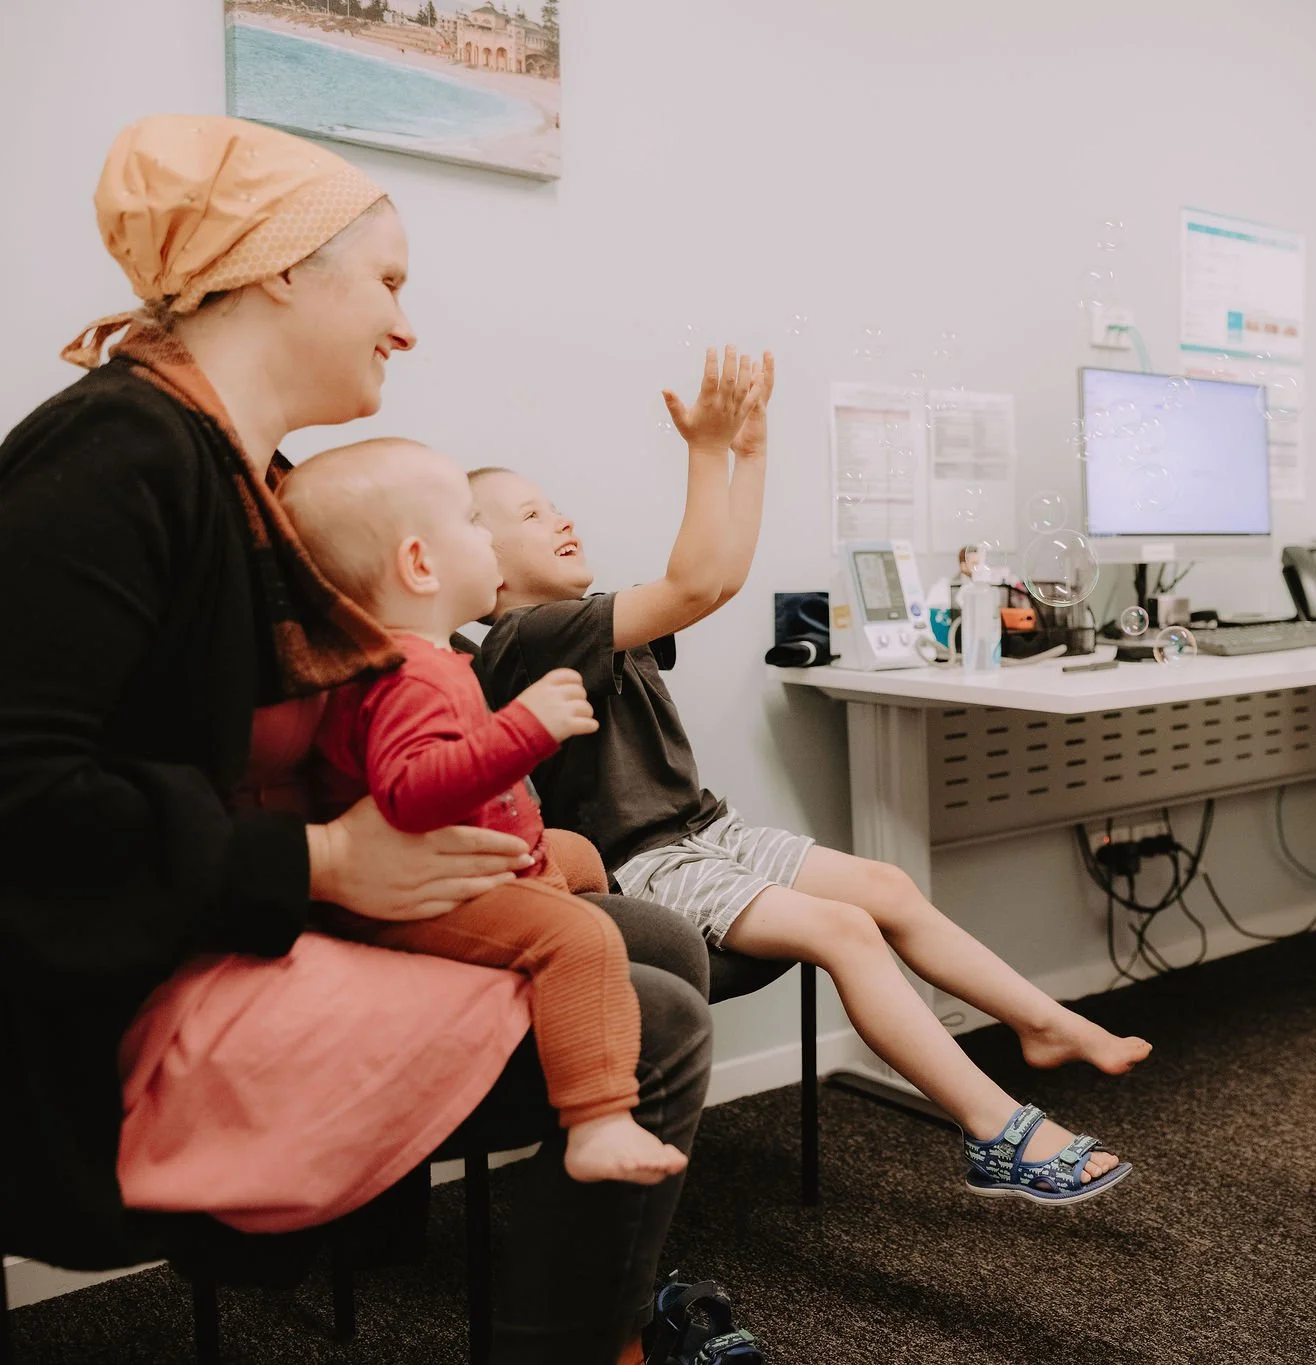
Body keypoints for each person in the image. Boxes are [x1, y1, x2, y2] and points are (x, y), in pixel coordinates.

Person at [0, 115, 714, 1365]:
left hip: (231, 902)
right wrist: (324, 865)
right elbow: (21, 790)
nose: (405, 322)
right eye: (387, 280)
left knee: (652, 938)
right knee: (653, 1016)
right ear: (280, 268)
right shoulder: (118, 453)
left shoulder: (240, 466)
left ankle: (602, 1305)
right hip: (118, 980)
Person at [468, 349, 1150, 1205]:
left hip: (704, 829)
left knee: (886, 886)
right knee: (846, 930)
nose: (560, 517)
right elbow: (687, 585)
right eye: (531, 513)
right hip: (643, 863)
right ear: (480, 564)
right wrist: (705, 448)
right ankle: (995, 1131)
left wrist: (748, 453)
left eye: (555, 503)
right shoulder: (523, 637)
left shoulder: (583, 619)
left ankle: (1039, 1023)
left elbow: (712, 582)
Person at [280, 439, 694, 1186]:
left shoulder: (432, 658)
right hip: (429, 896)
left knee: (578, 855)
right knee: (580, 936)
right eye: (475, 523)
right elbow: (411, 791)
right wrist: (523, 729)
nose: (488, 538)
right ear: (420, 565)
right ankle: (596, 1118)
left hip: (494, 853)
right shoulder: (408, 675)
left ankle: (559, 937)